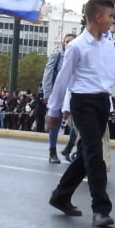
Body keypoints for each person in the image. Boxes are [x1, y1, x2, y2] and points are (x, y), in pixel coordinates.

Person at [45, 0, 115, 227]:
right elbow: (62, 79)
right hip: (82, 102)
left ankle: (60, 195)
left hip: (101, 103)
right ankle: (101, 208)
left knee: (88, 152)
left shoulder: (108, 44)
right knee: (94, 154)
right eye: (110, 16)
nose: (112, 20)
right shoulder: (77, 46)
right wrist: (54, 110)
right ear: (98, 18)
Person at [42, 31, 75, 162]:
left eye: (72, 42)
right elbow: (48, 74)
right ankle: (52, 152)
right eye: (67, 42)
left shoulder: (77, 56)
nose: (69, 44)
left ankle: (68, 148)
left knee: (77, 124)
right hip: (58, 94)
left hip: (72, 94)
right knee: (54, 123)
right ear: (63, 43)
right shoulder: (57, 55)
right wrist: (47, 94)